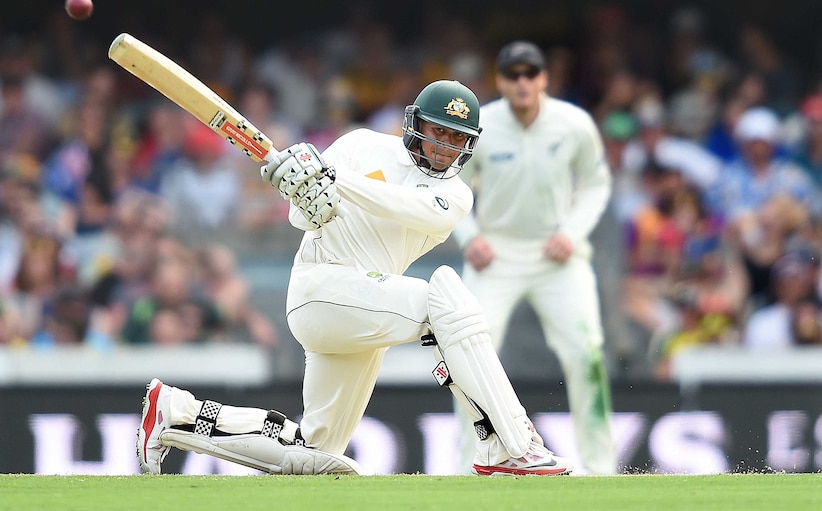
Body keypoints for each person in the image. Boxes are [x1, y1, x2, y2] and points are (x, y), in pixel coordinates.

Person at [137, 79, 574, 476]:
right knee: (445, 294)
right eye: (438, 130)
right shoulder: (361, 145)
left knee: (314, 454)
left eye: (457, 137)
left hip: (367, 309)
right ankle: (511, 444)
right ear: (414, 124)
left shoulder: (455, 195)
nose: (445, 145)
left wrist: (333, 178)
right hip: (321, 290)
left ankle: (176, 413)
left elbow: (404, 206)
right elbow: (300, 218)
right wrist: (300, 187)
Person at [451, 41, 617, 475]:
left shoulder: (574, 124)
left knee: (587, 354)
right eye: (513, 74)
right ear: (501, 81)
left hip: (557, 254)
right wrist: (470, 237)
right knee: (466, 358)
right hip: (495, 255)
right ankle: (472, 465)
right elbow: (450, 187)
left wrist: (571, 232)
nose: (522, 83)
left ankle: (601, 468)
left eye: (531, 74)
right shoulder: (480, 125)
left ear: (544, 78)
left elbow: (597, 185)